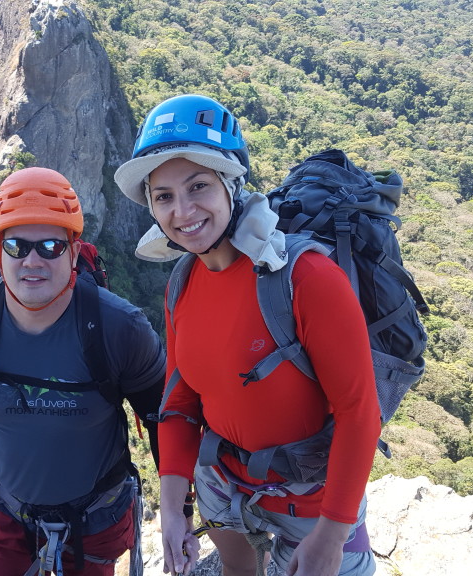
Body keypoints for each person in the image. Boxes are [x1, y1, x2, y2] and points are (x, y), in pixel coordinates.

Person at [114, 94, 381, 576]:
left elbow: (359, 412)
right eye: (164, 196)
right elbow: (180, 403)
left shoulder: (306, 278)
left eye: (199, 186)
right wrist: (172, 511)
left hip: (313, 497)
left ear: (232, 185)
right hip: (225, 483)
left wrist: (333, 534)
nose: (183, 211)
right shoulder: (182, 283)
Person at [0, 166, 166, 576]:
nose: (32, 260)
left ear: (73, 250)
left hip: (96, 519)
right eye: (16, 245)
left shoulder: (119, 328)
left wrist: (179, 509)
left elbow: (162, 418)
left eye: (50, 245)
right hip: (5, 511)